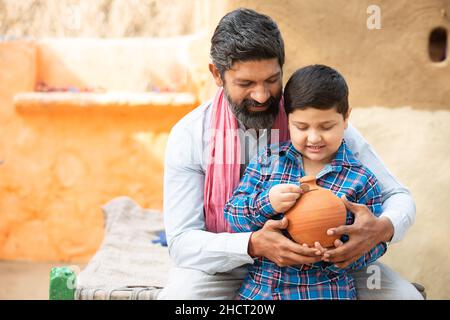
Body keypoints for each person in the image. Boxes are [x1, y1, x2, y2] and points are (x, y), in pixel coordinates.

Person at [157, 8, 422, 300]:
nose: (261, 96)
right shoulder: (191, 135)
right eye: (246, 84)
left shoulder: (313, 122)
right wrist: (253, 245)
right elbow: (182, 241)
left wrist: (380, 229)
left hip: (330, 265)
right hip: (225, 264)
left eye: (271, 80)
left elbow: (398, 196)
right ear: (216, 75)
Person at [224, 64, 387, 300]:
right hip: (264, 292)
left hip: (327, 292)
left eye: (326, 126)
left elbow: (377, 242)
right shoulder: (268, 162)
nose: (313, 138)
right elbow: (232, 214)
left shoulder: (362, 180)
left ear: (346, 118)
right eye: (301, 127)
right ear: (287, 120)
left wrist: (346, 254)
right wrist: (266, 203)